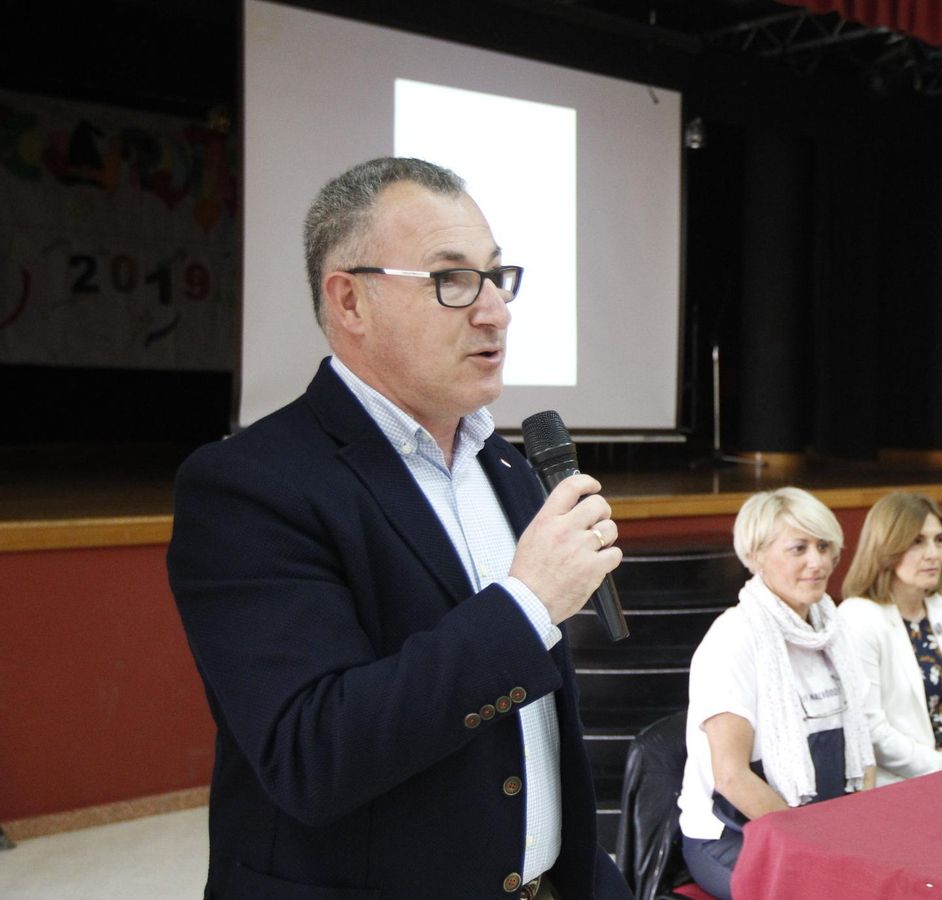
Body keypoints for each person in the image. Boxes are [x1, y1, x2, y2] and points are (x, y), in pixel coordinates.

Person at [167, 158, 630, 899]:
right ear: (349, 300)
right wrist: (527, 605)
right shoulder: (250, 486)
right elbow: (310, 754)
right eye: (452, 280)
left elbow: (539, 730)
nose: (494, 311)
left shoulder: (508, 469)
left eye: (497, 276)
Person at [678, 488, 876, 899]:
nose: (817, 562)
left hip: (824, 827)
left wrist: (863, 832)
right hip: (735, 835)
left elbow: (863, 748)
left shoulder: (835, 631)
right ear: (756, 555)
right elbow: (731, 777)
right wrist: (813, 847)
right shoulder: (733, 638)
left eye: (824, 547)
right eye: (798, 548)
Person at [838, 492, 942, 785]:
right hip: (896, 783)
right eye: (917, 542)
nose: (933, 553)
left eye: (939, 540)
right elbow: (872, 730)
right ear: (886, 548)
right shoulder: (859, 617)